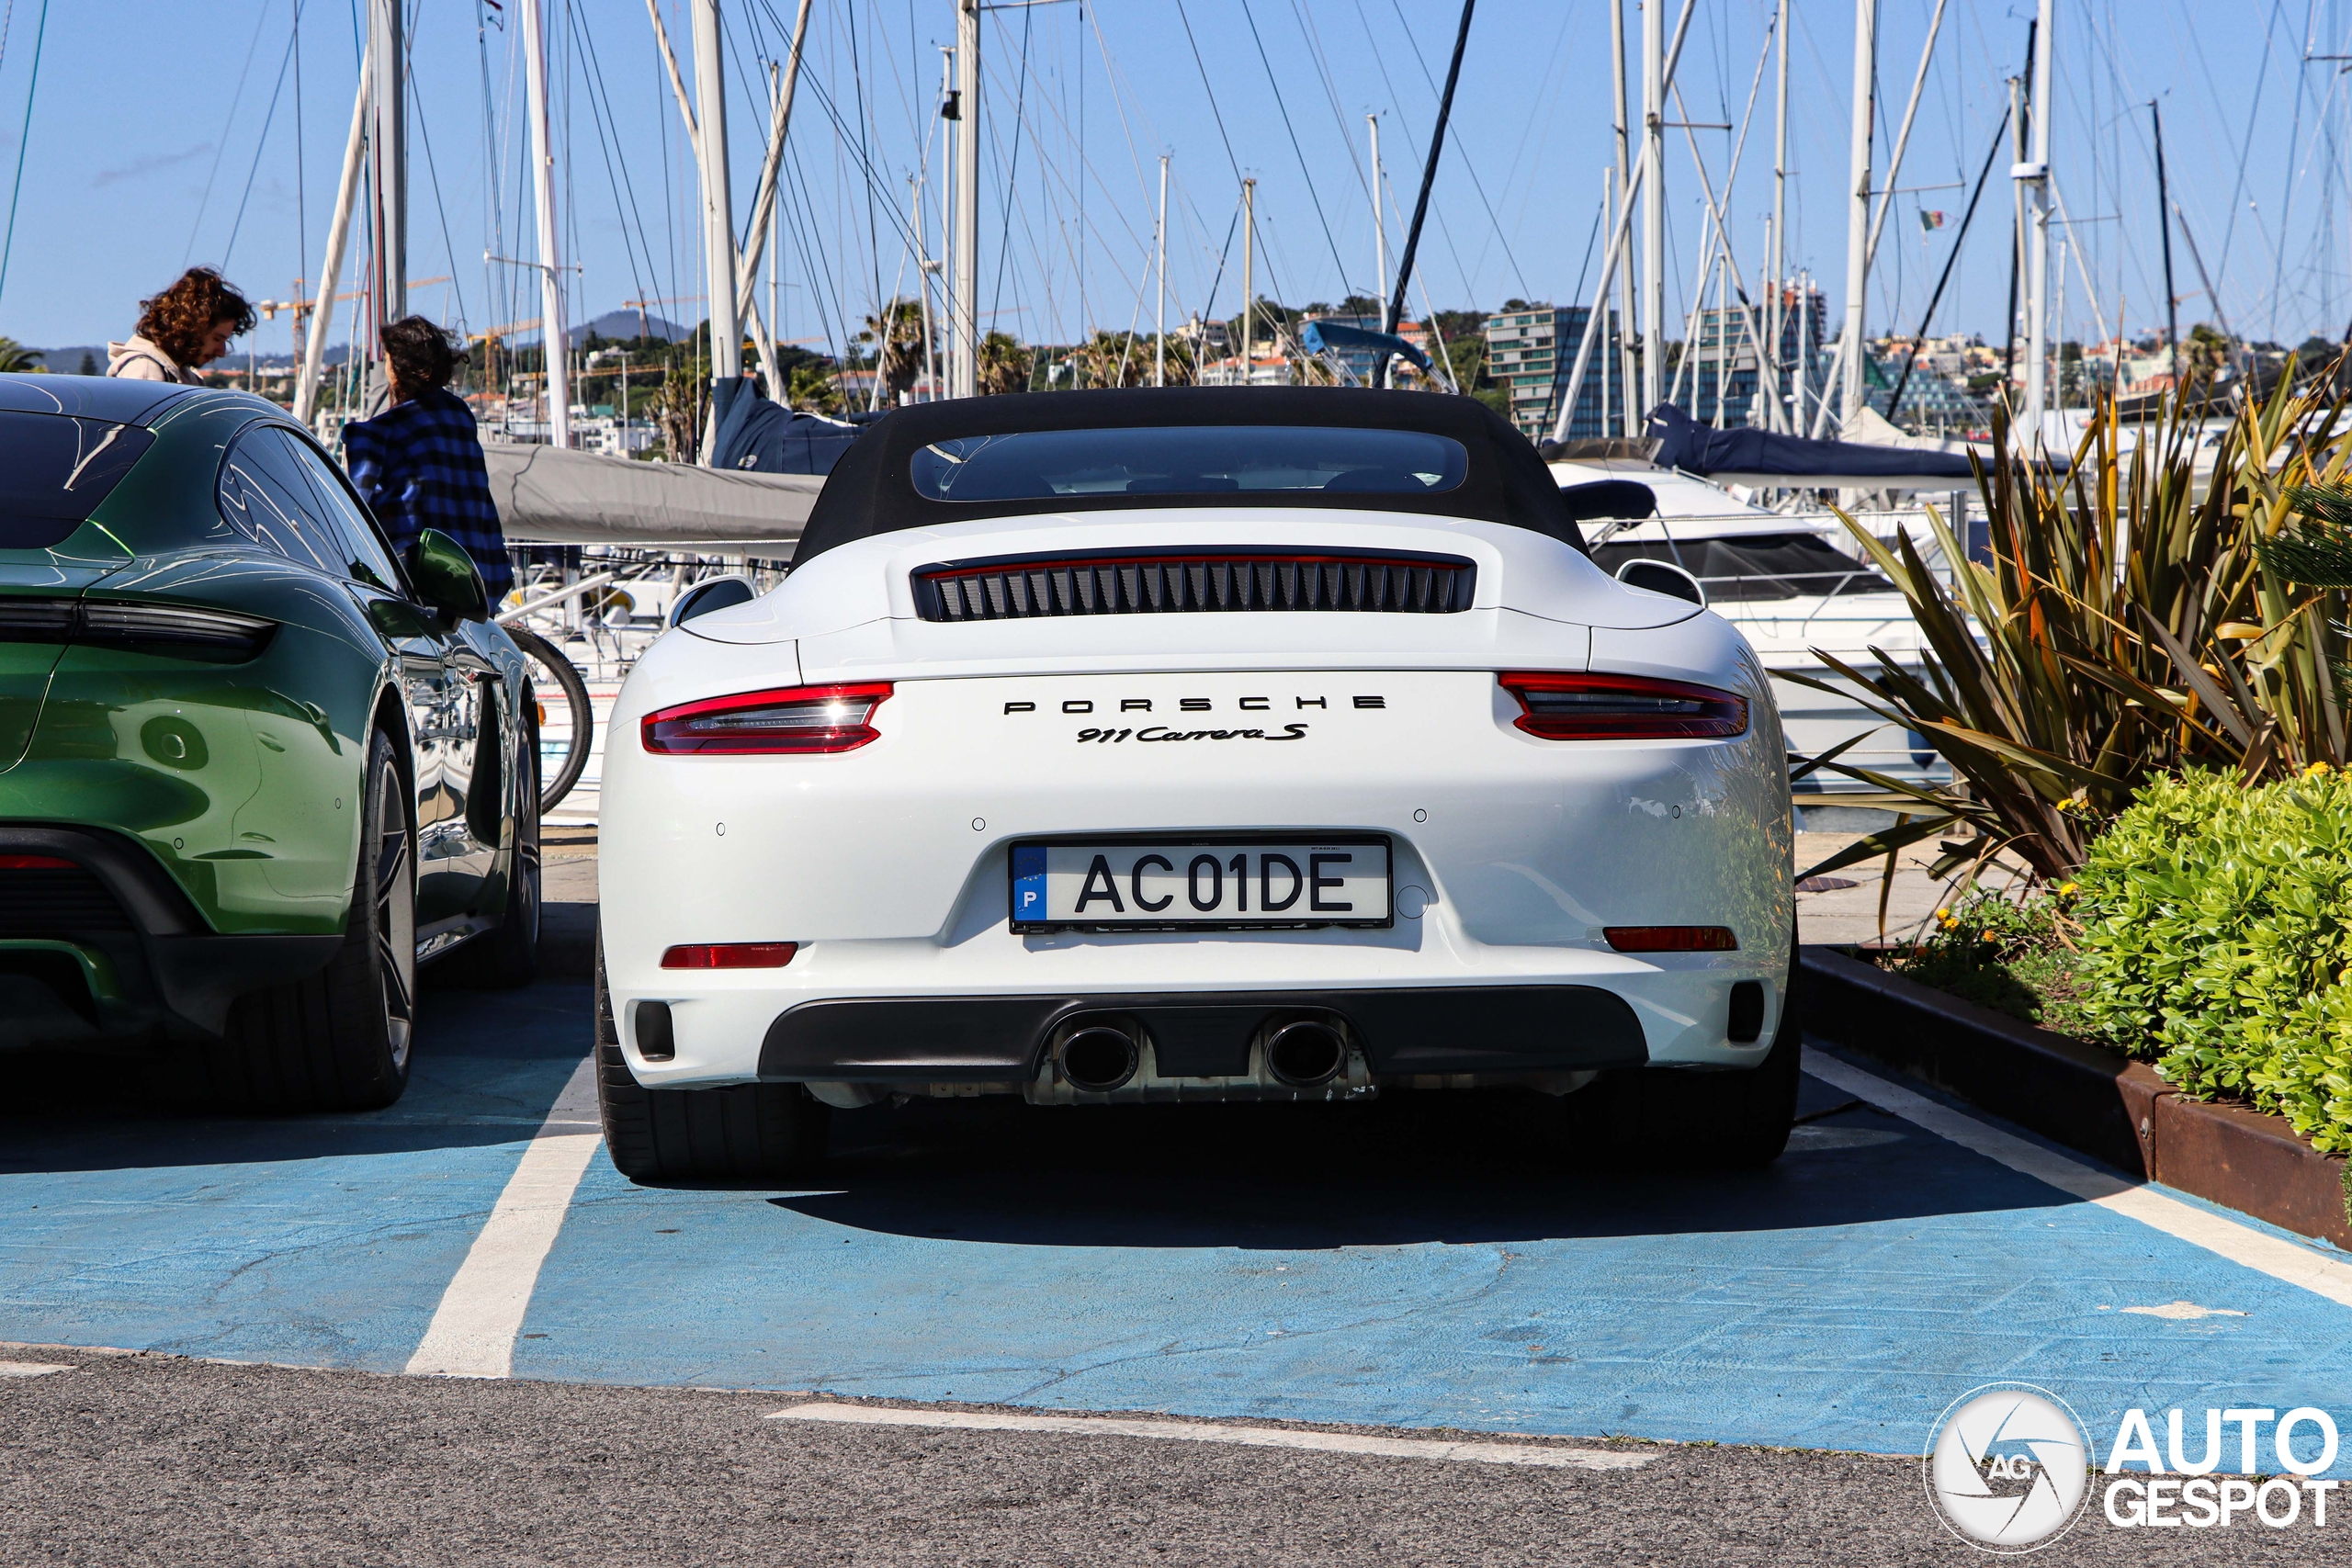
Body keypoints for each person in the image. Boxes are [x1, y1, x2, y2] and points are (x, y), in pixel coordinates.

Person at [339, 317, 514, 600]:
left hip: (418, 589)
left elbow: (355, 520)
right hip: (482, 583)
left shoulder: (375, 436)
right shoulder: (460, 418)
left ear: (397, 369)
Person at [107, 267, 254, 382]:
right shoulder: (145, 372)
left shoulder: (181, 375)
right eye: (216, 339)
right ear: (189, 329)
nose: (221, 352)